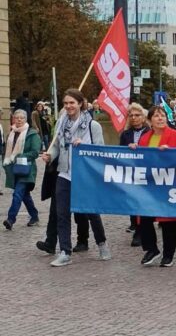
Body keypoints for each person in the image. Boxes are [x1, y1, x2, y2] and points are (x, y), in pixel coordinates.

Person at [42, 88, 111, 267]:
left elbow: (100, 150)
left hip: (85, 175)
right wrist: (50, 155)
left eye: (72, 103)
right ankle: (65, 251)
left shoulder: (92, 125)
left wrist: (84, 145)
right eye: (65, 103)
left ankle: (102, 243)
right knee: (61, 213)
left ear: (80, 103)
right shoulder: (61, 123)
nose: (68, 106)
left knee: (91, 212)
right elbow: (57, 146)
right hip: (65, 173)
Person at [129, 106, 176, 267]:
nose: (160, 118)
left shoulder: (175, 135)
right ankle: (151, 248)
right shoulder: (145, 137)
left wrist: (170, 153)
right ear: (150, 120)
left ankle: (169, 254)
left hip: (168, 184)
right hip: (150, 184)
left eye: (162, 116)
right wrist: (134, 149)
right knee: (145, 218)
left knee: (169, 220)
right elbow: (140, 159)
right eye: (156, 116)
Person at [3, 109, 41, 230]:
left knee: (17, 194)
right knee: (24, 195)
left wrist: (21, 156)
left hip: (27, 169)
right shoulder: (11, 134)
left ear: (26, 119)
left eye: (22, 118)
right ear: (13, 119)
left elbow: (35, 152)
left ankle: (10, 219)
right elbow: (7, 151)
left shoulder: (32, 134)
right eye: (17, 117)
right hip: (15, 169)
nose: (19, 120)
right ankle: (34, 216)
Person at [119, 103, 149, 247]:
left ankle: (142, 230)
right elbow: (119, 152)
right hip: (131, 172)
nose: (134, 118)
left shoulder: (150, 132)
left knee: (143, 202)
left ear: (143, 117)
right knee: (132, 201)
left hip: (146, 172)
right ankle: (135, 226)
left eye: (137, 115)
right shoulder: (125, 134)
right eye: (131, 116)